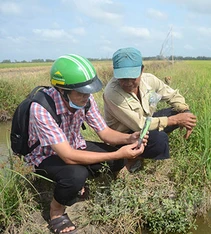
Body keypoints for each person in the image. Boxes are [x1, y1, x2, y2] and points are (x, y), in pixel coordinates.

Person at [25, 54, 147, 234]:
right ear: (62, 91)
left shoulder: (86, 100)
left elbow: (105, 133)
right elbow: (67, 155)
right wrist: (119, 153)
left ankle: (79, 184)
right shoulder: (41, 108)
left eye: (88, 91)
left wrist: (129, 139)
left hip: (74, 146)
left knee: (116, 161)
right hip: (46, 156)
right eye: (81, 93)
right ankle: (56, 212)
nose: (86, 96)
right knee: (75, 174)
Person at [103, 47, 197, 172]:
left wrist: (185, 113)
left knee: (176, 112)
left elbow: (172, 95)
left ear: (141, 70)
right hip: (126, 135)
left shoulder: (149, 80)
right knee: (160, 139)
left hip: (147, 123)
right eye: (123, 78)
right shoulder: (112, 93)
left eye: (133, 77)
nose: (128, 83)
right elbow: (139, 124)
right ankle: (131, 159)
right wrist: (174, 120)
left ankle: (146, 147)